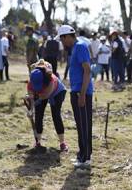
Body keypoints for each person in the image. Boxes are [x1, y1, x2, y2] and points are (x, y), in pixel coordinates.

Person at [58, 25, 93, 169]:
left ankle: (85, 158)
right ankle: (83, 154)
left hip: (81, 92)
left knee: (84, 126)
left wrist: (82, 94)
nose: (62, 43)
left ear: (67, 36)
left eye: (62, 39)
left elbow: (87, 70)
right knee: (81, 125)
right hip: (77, 91)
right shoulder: (75, 48)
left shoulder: (80, 46)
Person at [26, 59, 68, 152]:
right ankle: (38, 142)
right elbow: (31, 96)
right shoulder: (30, 84)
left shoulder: (50, 81)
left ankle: (62, 143)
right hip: (42, 94)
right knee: (38, 115)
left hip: (57, 92)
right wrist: (30, 110)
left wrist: (35, 100)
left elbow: (44, 96)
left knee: (56, 115)